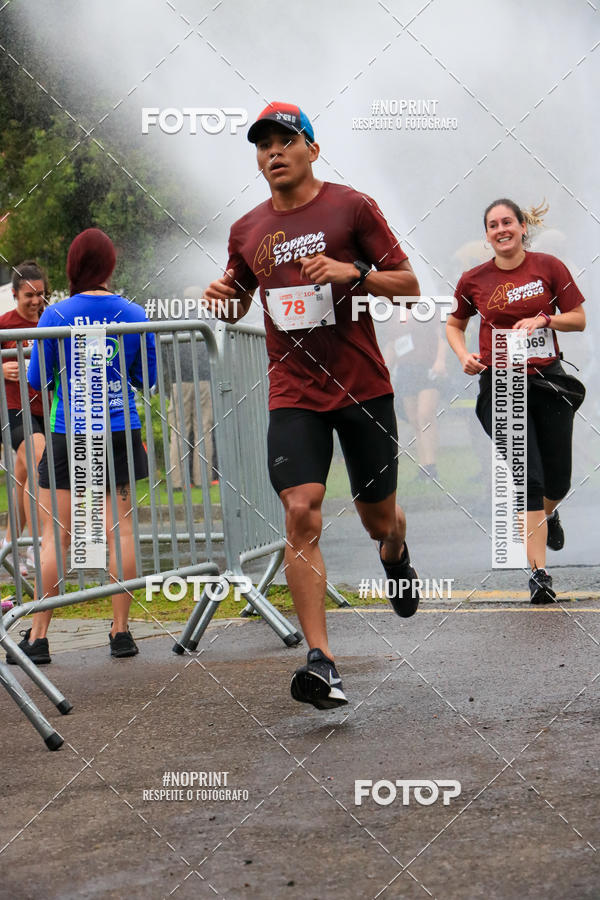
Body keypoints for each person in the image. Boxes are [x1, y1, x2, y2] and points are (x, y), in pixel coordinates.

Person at [204, 102, 421, 710]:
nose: (272, 152)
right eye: (262, 144)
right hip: (294, 391)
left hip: (362, 388)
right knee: (300, 511)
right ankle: (321, 661)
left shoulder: (352, 207)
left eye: (285, 140)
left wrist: (351, 272)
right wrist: (222, 298)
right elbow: (238, 302)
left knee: (381, 520)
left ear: (312, 150)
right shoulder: (247, 229)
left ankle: (395, 553)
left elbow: (409, 286)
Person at [6, 228, 157, 665]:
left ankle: (39, 637)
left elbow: (37, 379)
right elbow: (146, 377)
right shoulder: (133, 312)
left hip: (67, 431)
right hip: (120, 429)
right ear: (109, 265)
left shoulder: (55, 314)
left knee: (56, 536)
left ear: (73, 266)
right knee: (120, 531)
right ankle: (121, 632)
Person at [446, 199, 586, 603]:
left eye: (507, 222)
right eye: (493, 225)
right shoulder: (473, 279)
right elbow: (454, 325)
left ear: (523, 227)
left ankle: (549, 513)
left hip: (548, 381)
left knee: (557, 481)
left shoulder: (549, 267)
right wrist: (463, 355)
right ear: (487, 234)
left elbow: (578, 319)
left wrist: (545, 319)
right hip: (501, 384)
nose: (501, 229)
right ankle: (539, 574)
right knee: (530, 478)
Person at [0, 261, 49, 576]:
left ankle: (8, 545)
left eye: (40, 294)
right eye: (29, 295)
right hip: (13, 409)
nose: (35, 301)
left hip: (48, 409)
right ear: (15, 294)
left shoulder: (51, 320)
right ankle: (38, 544)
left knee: (22, 477)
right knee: (37, 459)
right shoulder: (4, 324)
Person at [383, 308, 446, 482]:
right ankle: (424, 468)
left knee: (425, 416)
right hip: (405, 371)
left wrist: (440, 361)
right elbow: (392, 346)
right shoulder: (393, 316)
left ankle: (432, 467)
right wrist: (385, 371)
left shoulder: (425, 309)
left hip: (427, 368)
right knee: (415, 420)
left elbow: (441, 337)